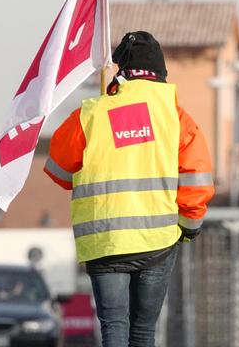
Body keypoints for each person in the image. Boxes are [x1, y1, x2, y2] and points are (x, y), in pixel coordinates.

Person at [44, 31, 214, 347]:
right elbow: (197, 178)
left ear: (121, 71)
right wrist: (189, 228)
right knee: (143, 332)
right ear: (161, 73)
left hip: (105, 240)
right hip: (157, 242)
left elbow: (58, 169)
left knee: (114, 329)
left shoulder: (90, 113)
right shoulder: (177, 118)